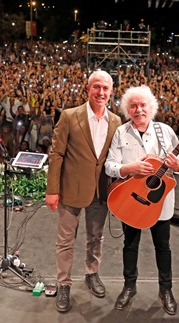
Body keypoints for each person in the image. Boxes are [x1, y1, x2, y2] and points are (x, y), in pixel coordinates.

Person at [104, 85, 179, 315]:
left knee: (163, 247)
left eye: (142, 105)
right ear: (127, 110)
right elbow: (110, 166)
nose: (138, 109)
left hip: (159, 202)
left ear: (151, 107)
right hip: (130, 200)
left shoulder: (165, 131)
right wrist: (128, 168)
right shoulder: (121, 132)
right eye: (133, 106)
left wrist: (178, 165)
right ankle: (129, 287)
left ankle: (166, 290)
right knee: (130, 245)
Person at [45, 70, 122, 314]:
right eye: (96, 87)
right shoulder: (69, 116)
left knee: (96, 238)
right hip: (70, 190)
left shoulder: (116, 121)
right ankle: (64, 284)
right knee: (65, 241)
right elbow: (56, 154)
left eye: (105, 88)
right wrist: (52, 190)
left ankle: (92, 273)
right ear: (87, 88)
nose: (101, 92)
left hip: (101, 191)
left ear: (111, 92)